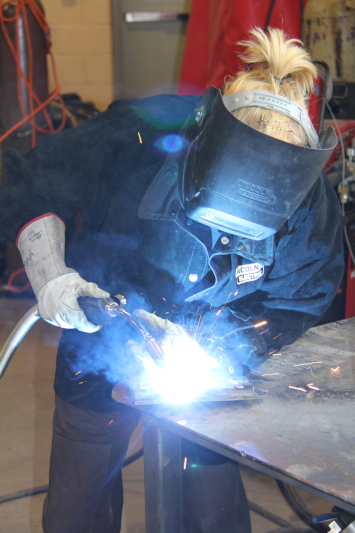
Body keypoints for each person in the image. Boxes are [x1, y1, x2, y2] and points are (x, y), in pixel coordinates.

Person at [0, 27, 343, 533]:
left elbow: (299, 297)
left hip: (204, 371)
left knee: (215, 519)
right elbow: (27, 180)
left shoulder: (304, 193)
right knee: (76, 512)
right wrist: (53, 277)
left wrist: (227, 347)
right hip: (99, 334)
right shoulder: (134, 138)